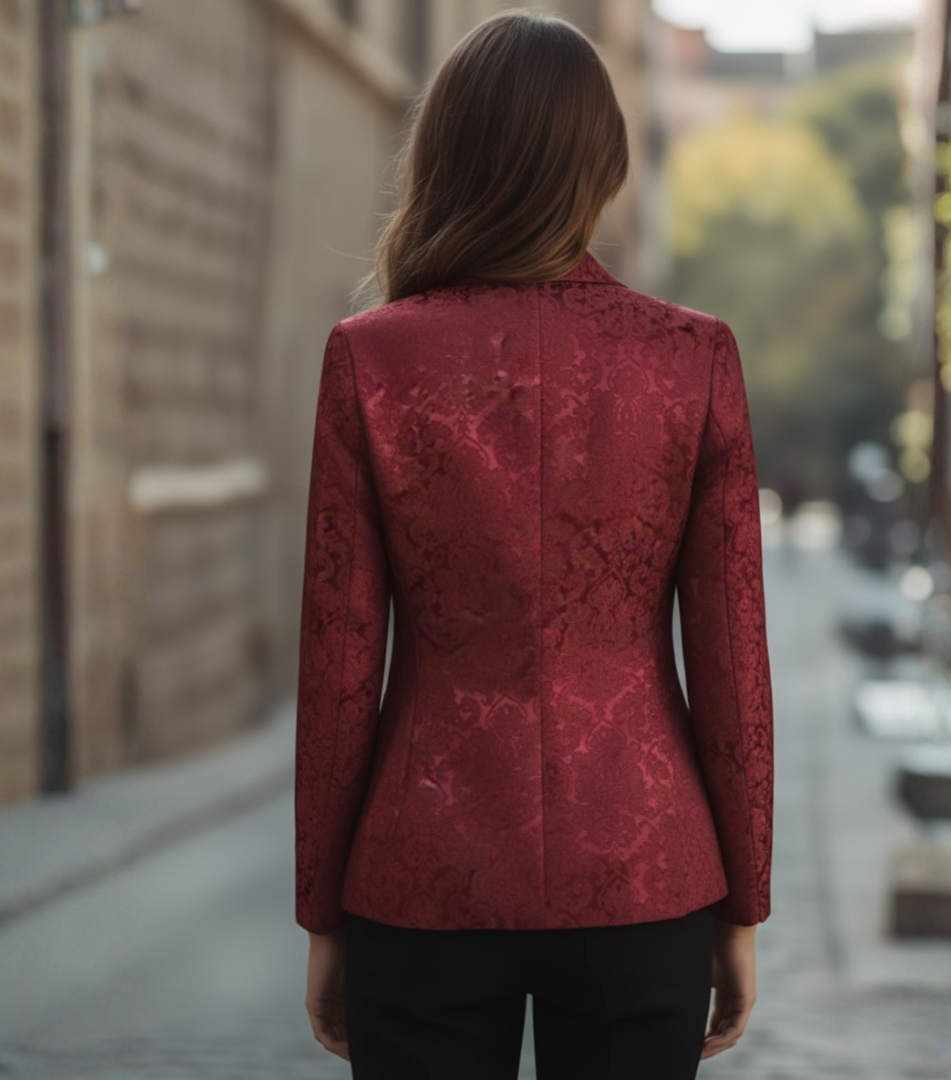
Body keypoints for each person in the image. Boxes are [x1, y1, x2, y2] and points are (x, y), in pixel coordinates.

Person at [294, 10, 774, 1078]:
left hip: (420, 874)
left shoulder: (371, 359)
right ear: (605, 166)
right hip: (643, 866)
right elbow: (733, 657)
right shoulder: (692, 358)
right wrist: (743, 903)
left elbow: (337, 664)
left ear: (444, 157)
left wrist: (322, 912)